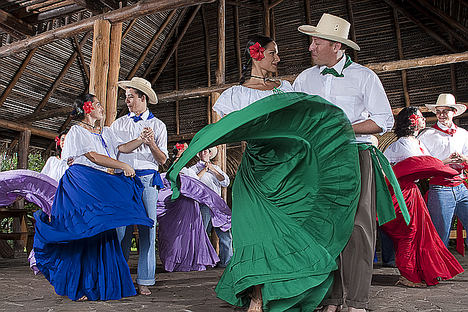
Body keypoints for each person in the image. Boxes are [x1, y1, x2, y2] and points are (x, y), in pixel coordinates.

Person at [167, 35, 362, 312]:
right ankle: (257, 298)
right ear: (257, 55)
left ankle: (295, 288)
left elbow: (302, 121)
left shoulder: (285, 89)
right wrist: (195, 149)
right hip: (255, 174)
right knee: (252, 235)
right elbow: (227, 129)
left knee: (288, 231)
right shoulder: (235, 95)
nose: (278, 59)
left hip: (289, 171)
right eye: (273, 53)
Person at [294, 13, 395, 312]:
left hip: (355, 155)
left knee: (357, 227)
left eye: (316, 41)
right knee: (323, 226)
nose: (310, 47)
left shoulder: (364, 77)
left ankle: (356, 301)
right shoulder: (305, 78)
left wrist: (342, 127)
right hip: (317, 159)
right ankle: (332, 297)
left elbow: (383, 120)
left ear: (337, 46)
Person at [32, 94, 153, 301]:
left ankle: (98, 283)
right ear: (87, 108)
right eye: (97, 104)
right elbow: (93, 156)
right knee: (86, 231)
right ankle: (80, 285)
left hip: (97, 183)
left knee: (101, 231)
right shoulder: (76, 131)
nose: (101, 107)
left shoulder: (106, 131)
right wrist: (123, 165)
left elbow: (122, 148)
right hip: (80, 184)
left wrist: (142, 140)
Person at [382, 107, 463, 287]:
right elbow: (419, 164)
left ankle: (417, 271)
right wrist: (444, 167)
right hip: (400, 192)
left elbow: (427, 161)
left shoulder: (416, 141)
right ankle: (408, 275)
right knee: (408, 232)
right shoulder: (402, 143)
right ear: (412, 121)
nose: (424, 120)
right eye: (420, 117)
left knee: (418, 232)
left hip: (412, 191)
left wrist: (447, 162)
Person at [111, 77, 168, 296]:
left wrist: (151, 143)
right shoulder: (119, 124)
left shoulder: (159, 125)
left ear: (142, 98)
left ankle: (145, 279)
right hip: (123, 180)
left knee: (148, 230)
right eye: (125, 97)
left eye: (131, 97)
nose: (127, 101)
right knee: (121, 231)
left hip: (148, 180)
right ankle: (120, 277)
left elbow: (162, 160)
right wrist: (140, 139)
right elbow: (121, 149)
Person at [418, 93, 468, 247]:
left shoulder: (463, 134)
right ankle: (439, 270)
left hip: (461, 186)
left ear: (454, 112)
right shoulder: (427, 135)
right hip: (440, 188)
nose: (441, 115)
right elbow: (423, 164)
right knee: (440, 234)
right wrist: (446, 161)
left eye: (445, 111)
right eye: (438, 111)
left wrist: (463, 159)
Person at [189, 147, 232, 267]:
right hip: (203, 204)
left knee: (225, 233)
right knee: (202, 233)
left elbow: (225, 182)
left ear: (210, 154)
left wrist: (212, 169)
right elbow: (192, 182)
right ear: (199, 154)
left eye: (206, 151)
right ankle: (202, 262)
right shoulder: (193, 169)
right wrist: (204, 170)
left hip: (217, 204)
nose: (204, 152)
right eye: (202, 151)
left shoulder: (216, 168)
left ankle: (226, 262)